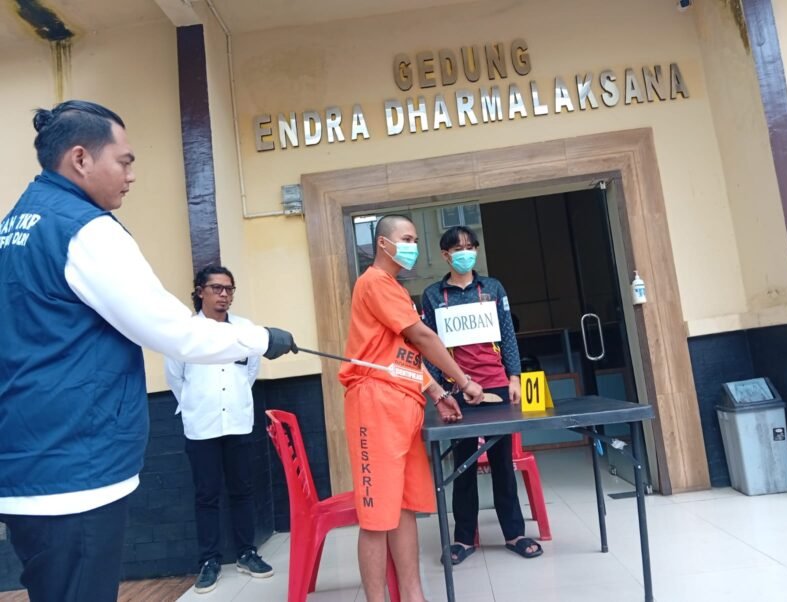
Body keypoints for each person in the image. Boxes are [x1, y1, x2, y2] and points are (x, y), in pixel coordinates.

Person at [0, 100, 297, 602]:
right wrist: (262, 339)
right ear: (80, 159)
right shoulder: (85, 230)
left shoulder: (17, 225)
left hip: (28, 463)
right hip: (74, 467)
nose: (131, 175)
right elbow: (176, 333)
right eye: (125, 161)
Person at [339, 215, 484, 602]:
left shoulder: (396, 289)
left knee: (404, 507)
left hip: (405, 403)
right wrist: (463, 381)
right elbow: (421, 337)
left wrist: (436, 392)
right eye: (406, 239)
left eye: (415, 240)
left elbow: (402, 357)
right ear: (382, 244)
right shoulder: (374, 283)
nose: (413, 247)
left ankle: (412, 593)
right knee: (377, 517)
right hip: (375, 405)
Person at [421, 225, 543, 565]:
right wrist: (442, 391)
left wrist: (514, 377)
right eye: (458, 248)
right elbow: (428, 345)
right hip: (457, 390)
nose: (465, 253)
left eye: (470, 246)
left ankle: (514, 533)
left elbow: (508, 334)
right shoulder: (432, 295)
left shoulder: (492, 288)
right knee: (463, 464)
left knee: (503, 461)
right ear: (445, 255)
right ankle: (463, 539)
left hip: (496, 386)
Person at [165, 265, 273, 594]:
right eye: (216, 288)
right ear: (200, 291)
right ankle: (209, 561)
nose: (224, 295)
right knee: (206, 495)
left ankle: (246, 553)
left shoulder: (245, 330)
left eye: (229, 289)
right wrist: (199, 403)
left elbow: (250, 372)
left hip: (237, 422)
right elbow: (176, 378)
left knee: (242, 490)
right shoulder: (185, 332)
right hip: (202, 425)